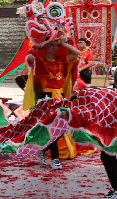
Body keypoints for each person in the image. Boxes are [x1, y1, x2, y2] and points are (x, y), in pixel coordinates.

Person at [25, 35, 80, 169]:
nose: (55, 47)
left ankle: (43, 150)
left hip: (60, 97)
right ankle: (55, 159)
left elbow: (76, 53)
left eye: (56, 45)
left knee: (61, 128)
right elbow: (29, 58)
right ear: (46, 47)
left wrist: (63, 43)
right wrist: (41, 44)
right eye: (52, 45)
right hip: (47, 97)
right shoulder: (40, 60)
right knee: (52, 127)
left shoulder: (61, 60)